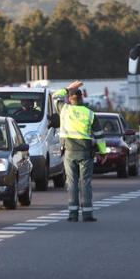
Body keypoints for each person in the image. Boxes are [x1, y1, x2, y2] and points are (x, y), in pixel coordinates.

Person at [53, 80, 107, 222]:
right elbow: (100, 135)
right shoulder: (90, 114)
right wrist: (103, 153)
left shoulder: (64, 109)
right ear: (82, 98)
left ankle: (73, 214)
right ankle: (88, 214)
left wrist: (68, 88)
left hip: (69, 152)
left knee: (72, 183)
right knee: (85, 183)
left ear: (70, 99)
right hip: (85, 153)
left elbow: (54, 97)